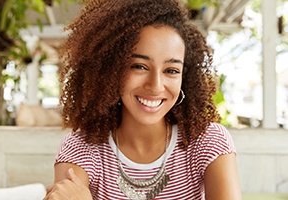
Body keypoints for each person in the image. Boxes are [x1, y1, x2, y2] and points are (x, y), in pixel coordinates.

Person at [44, 0, 242, 199]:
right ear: (110, 68)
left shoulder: (207, 142)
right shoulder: (82, 148)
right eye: (139, 66)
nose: (156, 86)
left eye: (171, 70)